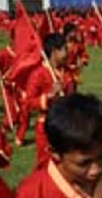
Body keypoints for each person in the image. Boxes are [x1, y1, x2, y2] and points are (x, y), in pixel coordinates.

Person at [25, 33, 76, 168]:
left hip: (67, 125)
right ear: (54, 51)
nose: (67, 52)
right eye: (64, 49)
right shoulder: (38, 74)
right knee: (46, 164)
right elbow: (29, 102)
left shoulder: (68, 72)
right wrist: (48, 96)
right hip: (47, 127)